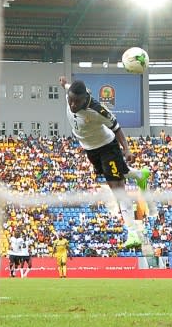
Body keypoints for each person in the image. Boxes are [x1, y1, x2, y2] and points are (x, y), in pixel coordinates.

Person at [58, 77, 150, 248]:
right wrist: (64, 83)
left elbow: (116, 127)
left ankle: (132, 233)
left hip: (107, 147)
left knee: (117, 188)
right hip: (90, 149)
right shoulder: (72, 93)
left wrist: (127, 149)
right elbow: (68, 87)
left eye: (76, 101)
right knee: (114, 177)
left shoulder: (97, 110)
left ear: (85, 98)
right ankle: (139, 174)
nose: (72, 104)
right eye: (70, 100)